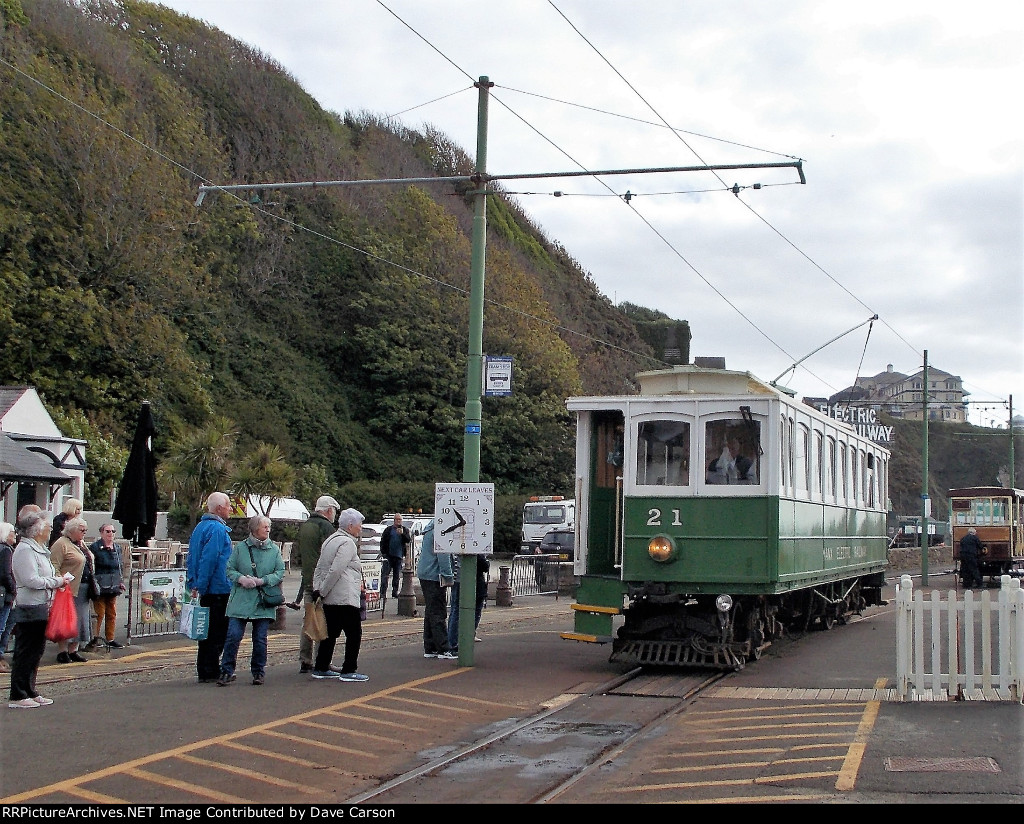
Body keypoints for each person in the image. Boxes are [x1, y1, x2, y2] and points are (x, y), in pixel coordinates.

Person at [9, 510, 70, 708]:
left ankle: (29, 689)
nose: (51, 528)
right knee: (26, 650)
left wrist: (55, 582)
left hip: (42, 605)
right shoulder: (25, 550)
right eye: (47, 526)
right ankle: (18, 694)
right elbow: (30, 579)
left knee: (36, 651)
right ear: (36, 529)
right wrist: (57, 581)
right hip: (29, 606)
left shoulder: (39, 549)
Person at [217, 514, 285, 687]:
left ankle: (258, 672)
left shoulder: (274, 550)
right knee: (233, 636)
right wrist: (241, 579)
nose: (268, 530)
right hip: (240, 600)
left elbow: (279, 572)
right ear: (255, 530)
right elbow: (229, 569)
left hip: (262, 602)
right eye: (265, 527)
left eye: (269, 527)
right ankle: (226, 671)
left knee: (260, 638)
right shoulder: (240, 548)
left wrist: (262, 581)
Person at [310, 508, 369, 682]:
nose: (360, 528)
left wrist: (318, 588)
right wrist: (324, 590)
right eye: (359, 524)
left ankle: (321, 666)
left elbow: (320, 567)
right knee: (354, 633)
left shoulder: (330, 540)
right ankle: (349, 669)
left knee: (331, 632)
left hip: (331, 598)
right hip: (344, 596)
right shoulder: (347, 544)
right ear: (350, 526)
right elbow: (336, 569)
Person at [186, 492, 234, 683]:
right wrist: (201, 584)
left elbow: (193, 557)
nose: (231, 508)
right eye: (228, 505)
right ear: (219, 508)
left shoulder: (200, 527)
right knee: (217, 632)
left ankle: (206, 669)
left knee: (206, 633)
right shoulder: (217, 529)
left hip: (207, 587)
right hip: (217, 588)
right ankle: (210, 670)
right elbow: (210, 559)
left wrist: (194, 582)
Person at [292, 495, 339, 674]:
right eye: (333, 511)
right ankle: (323, 660)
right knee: (323, 623)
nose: (334, 514)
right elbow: (332, 555)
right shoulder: (325, 527)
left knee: (309, 620)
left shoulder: (306, 527)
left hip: (307, 580)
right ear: (328, 510)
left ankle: (305, 659)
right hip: (322, 582)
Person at [49, 516, 95, 664]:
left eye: (85, 530)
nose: (84, 533)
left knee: (81, 621)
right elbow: (54, 565)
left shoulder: (81, 543)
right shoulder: (61, 544)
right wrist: (59, 582)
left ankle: (73, 650)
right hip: (68, 588)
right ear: (72, 530)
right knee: (66, 620)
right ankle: (62, 651)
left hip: (84, 587)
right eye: (82, 530)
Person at [416, 519, 456, 660]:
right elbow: (443, 556)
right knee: (438, 612)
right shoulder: (441, 533)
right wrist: (449, 576)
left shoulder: (429, 530)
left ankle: (430, 647)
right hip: (435, 576)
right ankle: (443, 648)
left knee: (430, 612)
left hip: (425, 574)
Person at [85, 523, 126, 650]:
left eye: (113, 531)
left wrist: (121, 581)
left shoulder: (117, 548)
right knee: (99, 613)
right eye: (108, 531)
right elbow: (91, 566)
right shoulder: (95, 548)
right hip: (100, 584)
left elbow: (120, 566)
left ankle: (110, 638)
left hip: (113, 584)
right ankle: (94, 638)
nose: (111, 534)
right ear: (101, 533)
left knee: (111, 613)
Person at [447, 554, 489, 654]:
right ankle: (460, 640)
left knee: (455, 610)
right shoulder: (473, 549)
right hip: (469, 579)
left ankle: (453, 640)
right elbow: (484, 565)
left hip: (457, 578)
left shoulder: (454, 547)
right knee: (466, 610)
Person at [379, 514, 412, 598]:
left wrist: (402, 534)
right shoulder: (388, 530)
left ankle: (395, 592)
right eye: (397, 520)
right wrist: (383, 553)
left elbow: (408, 540)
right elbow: (383, 541)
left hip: (398, 556)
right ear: (394, 520)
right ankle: (383, 593)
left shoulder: (404, 530)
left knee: (396, 576)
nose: (398, 521)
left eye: (400, 520)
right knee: (385, 575)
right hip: (388, 555)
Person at [0, 522, 17, 672]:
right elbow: (6, 574)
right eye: (12, 532)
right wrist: (14, 588)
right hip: (5, 594)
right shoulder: (6, 550)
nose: (15, 535)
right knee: (2, 626)